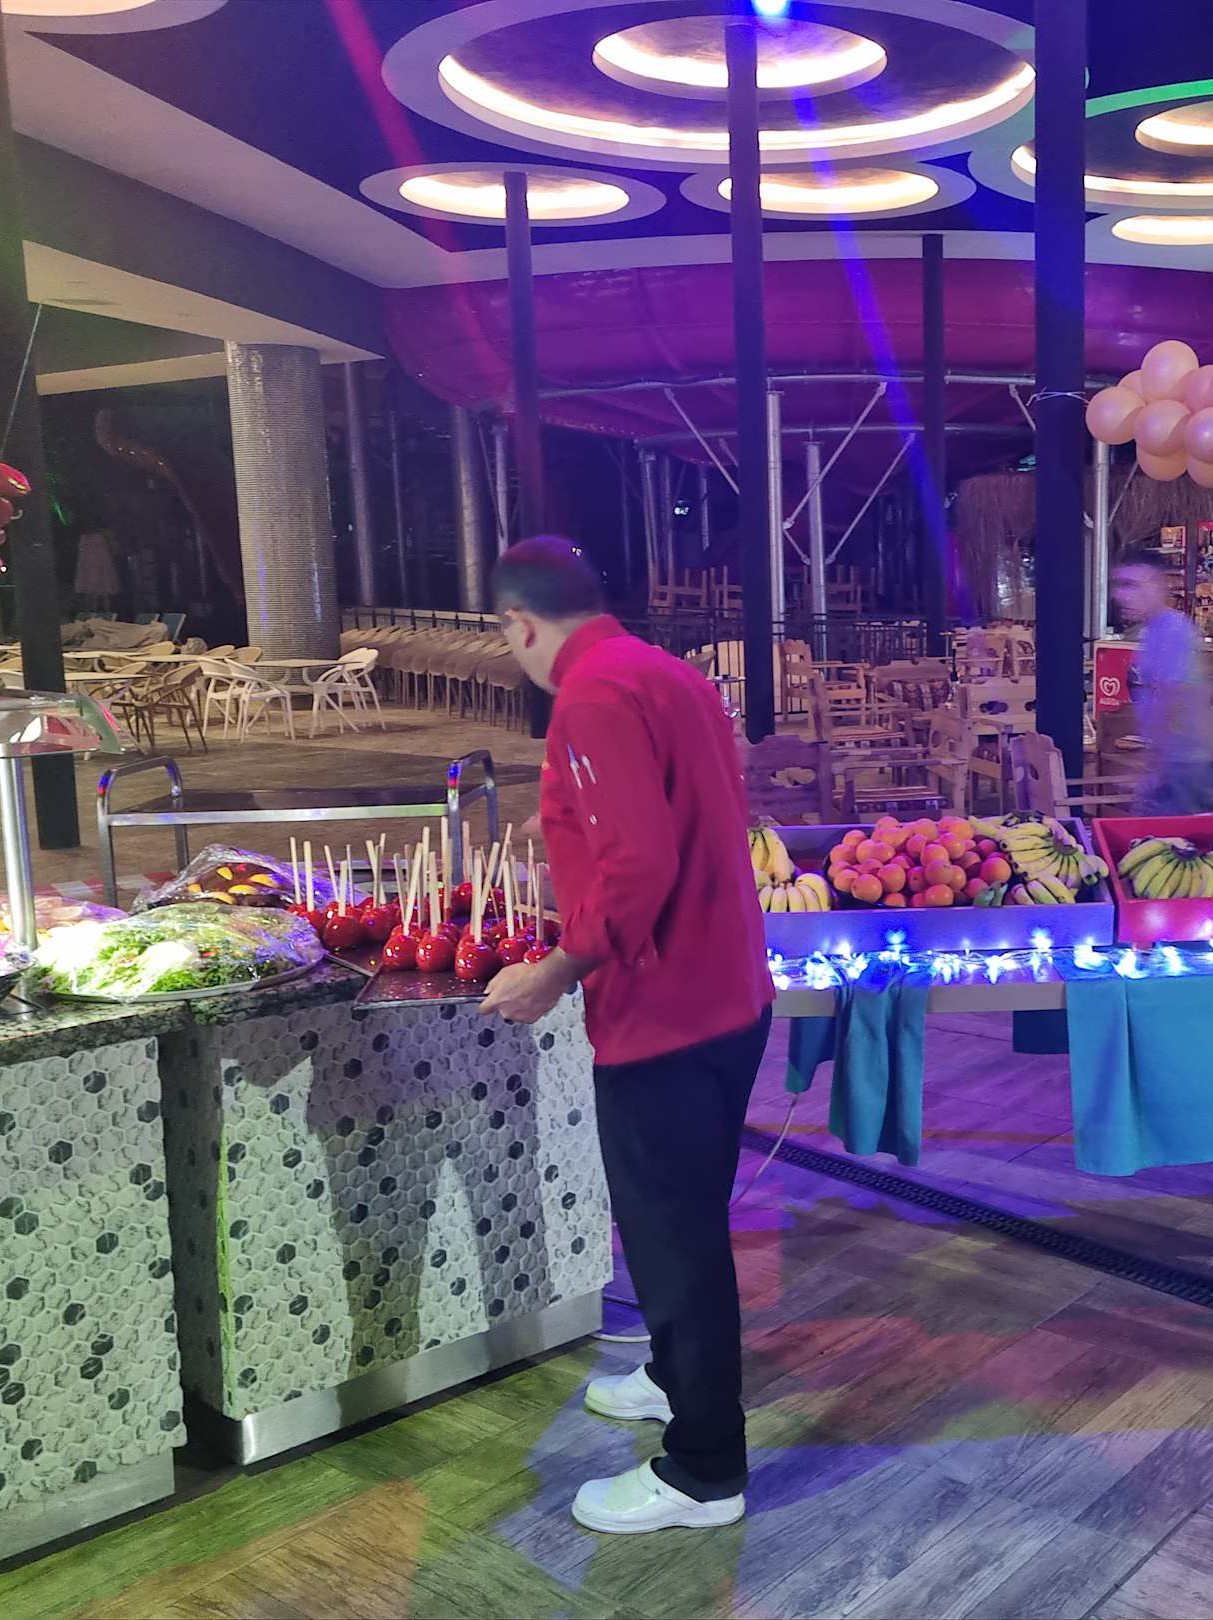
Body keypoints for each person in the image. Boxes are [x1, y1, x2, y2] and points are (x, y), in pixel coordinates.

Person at [479, 537, 773, 1536]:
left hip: (665, 1014)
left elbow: (641, 865)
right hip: (729, 994)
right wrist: (562, 824)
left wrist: (557, 970)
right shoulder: (662, 672)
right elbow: (676, 808)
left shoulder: (591, 697)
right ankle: (672, 1374)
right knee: (684, 1218)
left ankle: (704, 1470)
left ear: (520, 623)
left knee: (672, 1236)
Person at [1111, 546, 1213, 813]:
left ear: (1160, 585)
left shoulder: (1172, 632)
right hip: (1174, 764)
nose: (1120, 596)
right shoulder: (1153, 631)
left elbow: (1175, 697)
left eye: (1131, 585)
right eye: (1119, 585)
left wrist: (1151, 766)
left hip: (1182, 767)